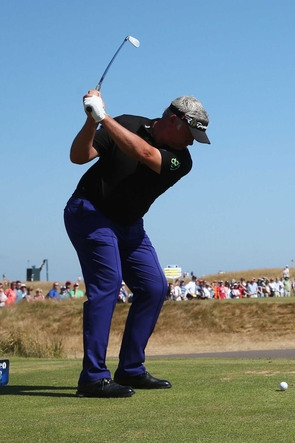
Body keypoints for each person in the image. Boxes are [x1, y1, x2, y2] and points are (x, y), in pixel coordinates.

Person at [65, 89, 210, 398]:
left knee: (155, 287)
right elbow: (79, 156)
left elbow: (144, 154)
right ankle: (92, 377)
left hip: (130, 226)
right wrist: (93, 121)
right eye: (191, 134)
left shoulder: (182, 161)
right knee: (107, 285)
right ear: (175, 120)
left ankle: (131, 368)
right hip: (90, 213)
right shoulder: (127, 122)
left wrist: (103, 117)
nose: (192, 142)